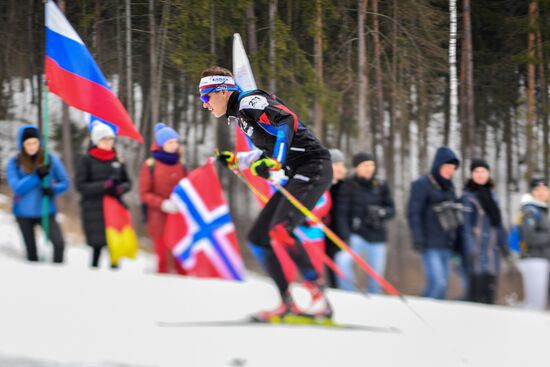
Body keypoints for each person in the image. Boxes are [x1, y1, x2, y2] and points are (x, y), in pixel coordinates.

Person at [200, 66, 333, 320]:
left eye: (206, 97)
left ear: (223, 91)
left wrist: (277, 161)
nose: (204, 104)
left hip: (314, 165)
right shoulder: (241, 114)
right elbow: (269, 148)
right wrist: (240, 159)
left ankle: (320, 299)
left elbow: (286, 121)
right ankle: (287, 303)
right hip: (298, 169)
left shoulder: (250, 100)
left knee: (281, 229)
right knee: (258, 237)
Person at [6, 125, 69, 263]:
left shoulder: (50, 159)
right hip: (23, 213)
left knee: (59, 244)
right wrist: (36, 176)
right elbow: (17, 188)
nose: (32, 146)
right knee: (31, 253)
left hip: (46, 210)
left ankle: (58, 274)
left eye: (34, 142)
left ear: (39, 142)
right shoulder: (15, 163)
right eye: (28, 143)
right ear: (22, 145)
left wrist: (53, 189)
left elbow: (65, 183)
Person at [335, 153, 395, 293]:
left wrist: (381, 212)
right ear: (357, 168)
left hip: (377, 237)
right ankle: (349, 293)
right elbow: (341, 214)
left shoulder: (381, 184)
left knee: (375, 276)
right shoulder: (348, 185)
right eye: (365, 165)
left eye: (371, 165)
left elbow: (392, 210)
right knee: (341, 261)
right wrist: (345, 236)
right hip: (356, 235)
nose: (369, 168)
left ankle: (374, 302)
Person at [75, 122, 132, 268]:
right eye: (104, 139)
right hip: (94, 209)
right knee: (97, 246)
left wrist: (119, 188)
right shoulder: (86, 160)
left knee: (115, 246)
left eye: (110, 139)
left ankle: (114, 277)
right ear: (96, 141)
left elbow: (128, 182)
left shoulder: (117, 159)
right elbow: (80, 185)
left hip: (114, 208)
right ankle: (93, 276)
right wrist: (103, 185)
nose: (108, 143)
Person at [407, 146, 461, 299]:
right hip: (429, 243)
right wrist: (418, 238)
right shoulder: (421, 185)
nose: (450, 171)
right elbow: (413, 213)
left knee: (442, 288)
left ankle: (434, 316)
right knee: (438, 282)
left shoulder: (450, 188)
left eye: (453, 168)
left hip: (446, 243)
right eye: (447, 167)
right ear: (438, 166)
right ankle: (421, 311)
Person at [139, 123, 187, 274]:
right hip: (158, 217)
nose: (174, 145)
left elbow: (188, 188)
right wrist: (162, 203)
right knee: (163, 259)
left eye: (176, 142)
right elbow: (144, 193)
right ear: (161, 144)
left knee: (181, 259)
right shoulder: (150, 165)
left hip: (178, 216)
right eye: (170, 142)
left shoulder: (180, 164)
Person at [461, 159, 509, 304]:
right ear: (471, 175)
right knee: (474, 298)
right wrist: (470, 249)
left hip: (492, 255)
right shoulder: (467, 197)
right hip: (475, 254)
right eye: (476, 171)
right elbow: (465, 227)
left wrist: (504, 244)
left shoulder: (494, 197)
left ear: (488, 174)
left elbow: (498, 223)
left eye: (483, 171)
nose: (480, 175)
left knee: (489, 297)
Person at [517, 178, 550, 310]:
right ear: (532, 192)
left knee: (538, 301)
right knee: (534, 303)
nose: (541, 193)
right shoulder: (531, 210)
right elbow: (529, 236)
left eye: (545, 190)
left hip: (541, 259)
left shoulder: (542, 211)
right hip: (533, 259)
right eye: (537, 190)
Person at [325, 148, 347, 288]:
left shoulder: (345, 186)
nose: (341, 168)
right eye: (337, 164)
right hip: (325, 233)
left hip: (342, 234)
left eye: (342, 165)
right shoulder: (322, 184)